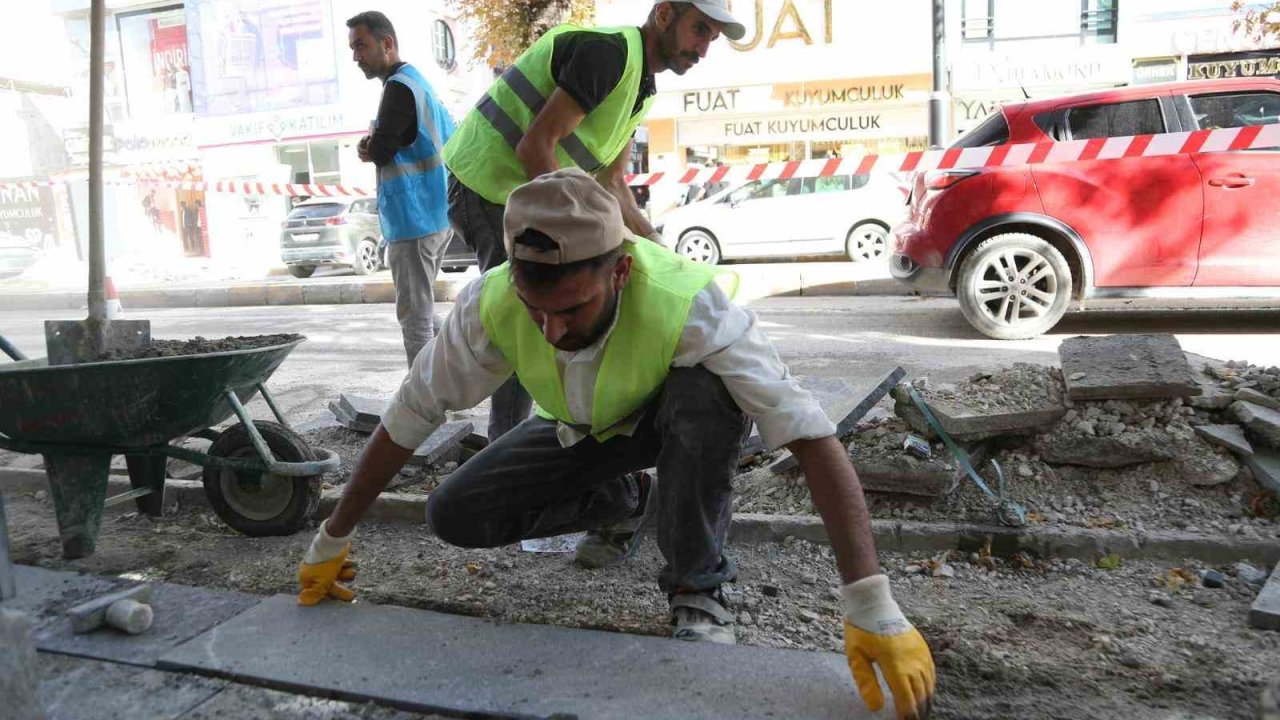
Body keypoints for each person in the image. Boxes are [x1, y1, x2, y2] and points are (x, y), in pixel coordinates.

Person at [297, 169, 936, 720]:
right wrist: (332, 538)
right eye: (536, 310)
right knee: (454, 513)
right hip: (585, 429)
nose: (550, 332)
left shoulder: (687, 302)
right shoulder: (490, 304)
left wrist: (870, 601)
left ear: (621, 270)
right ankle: (627, 498)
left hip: (675, 423)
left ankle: (698, 592)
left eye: (572, 310)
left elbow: (809, 434)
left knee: (704, 398)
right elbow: (408, 416)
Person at [442, 0, 745, 443]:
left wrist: (655, 246)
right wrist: (582, 233)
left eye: (712, 39)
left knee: (566, 304)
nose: (703, 49)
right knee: (526, 311)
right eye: (699, 30)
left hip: (511, 191)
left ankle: (565, 434)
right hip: (486, 186)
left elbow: (612, 184)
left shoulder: (641, 87)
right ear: (664, 15)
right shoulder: (611, 55)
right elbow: (535, 148)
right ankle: (505, 447)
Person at [348, 10, 456, 366]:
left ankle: (424, 411)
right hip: (436, 214)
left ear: (387, 43)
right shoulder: (418, 82)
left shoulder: (398, 88)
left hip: (413, 221)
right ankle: (453, 379)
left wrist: (369, 146)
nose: (356, 56)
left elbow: (382, 150)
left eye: (361, 45)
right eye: (353, 48)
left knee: (415, 319)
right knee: (423, 313)